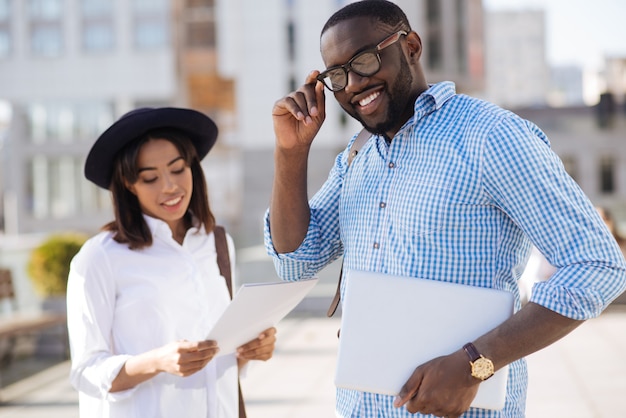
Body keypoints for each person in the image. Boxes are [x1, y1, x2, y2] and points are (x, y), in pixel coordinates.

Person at [264, 1, 626, 417]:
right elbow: (295, 261)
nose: (353, 84)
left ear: (411, 47)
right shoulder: (357, 156)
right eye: (337, 75)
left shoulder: (491, 136)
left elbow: (598, 264)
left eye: (363, 60)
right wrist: (291, 153)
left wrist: (475, 363)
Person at [67, 107, 276, 418]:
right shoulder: (99, 259)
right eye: (150, 177)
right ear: (128, 184)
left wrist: (250, 349)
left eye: (178, 169)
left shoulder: (217, 243)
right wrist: (156, 362)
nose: (169, 186)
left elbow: (221, 355)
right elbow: (85, 371)